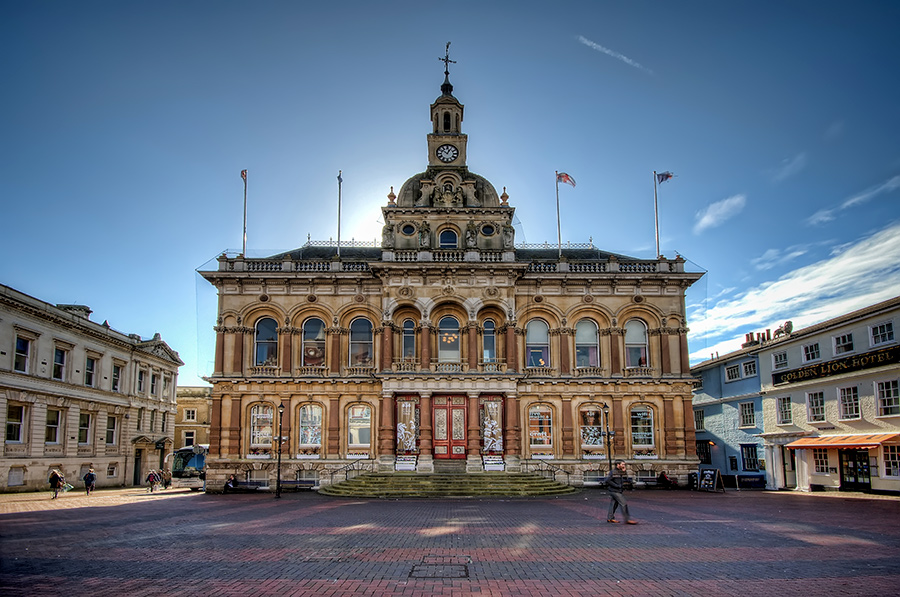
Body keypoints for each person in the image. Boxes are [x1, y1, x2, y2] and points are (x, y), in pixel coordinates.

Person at [603, 460, 638, 524]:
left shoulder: (620, 472)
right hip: (614, 491)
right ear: (618, 465)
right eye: (622, 464)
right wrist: (617, 486)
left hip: (618, 490)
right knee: (623, 503)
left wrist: (624, 472)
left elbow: (625, 479)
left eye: (624, 464)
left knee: (614, 504)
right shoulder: (613, 472)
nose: (624, 466)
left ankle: (610, 518)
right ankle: (627, 519)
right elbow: (607, 480)